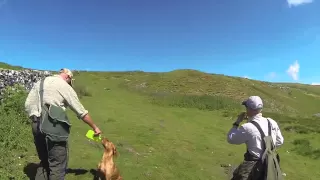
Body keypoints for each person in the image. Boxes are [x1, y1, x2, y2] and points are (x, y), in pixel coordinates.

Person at [25, 68, 102, 180]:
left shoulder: (39, 83)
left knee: (44, 162)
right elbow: (81, 112)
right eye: (70, 81)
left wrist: (36, 116)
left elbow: (28, 104)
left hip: (36, 125)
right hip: (53, 127)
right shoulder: (64, 86)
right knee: (57, 165)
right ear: (68, 77)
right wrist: (95, 127)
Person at [227, 96, 284, 180]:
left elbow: (231, 139)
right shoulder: (271, 122)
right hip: (271, 164)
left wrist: (237, 122)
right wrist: (266, 150)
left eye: (246, 107)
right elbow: (280, 141)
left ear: (249, 109)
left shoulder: (247, 127)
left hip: (252, 166)